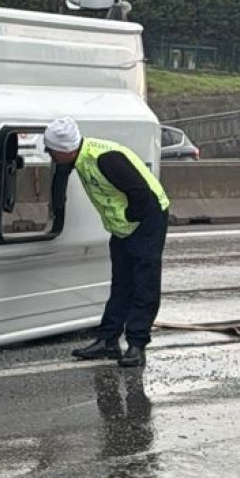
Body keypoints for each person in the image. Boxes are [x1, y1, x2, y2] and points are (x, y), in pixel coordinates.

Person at [43, 117, 169, 368]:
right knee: (121, 282)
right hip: (122, 227)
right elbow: (60, 181)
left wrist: (129, 219)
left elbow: (143, 195)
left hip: (147, 220)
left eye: (51, 150)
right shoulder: (75, 157)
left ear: (66, 150)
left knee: (143, 282)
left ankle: (137, 344)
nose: (48, 154)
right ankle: (108, 340)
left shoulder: (106, 159)